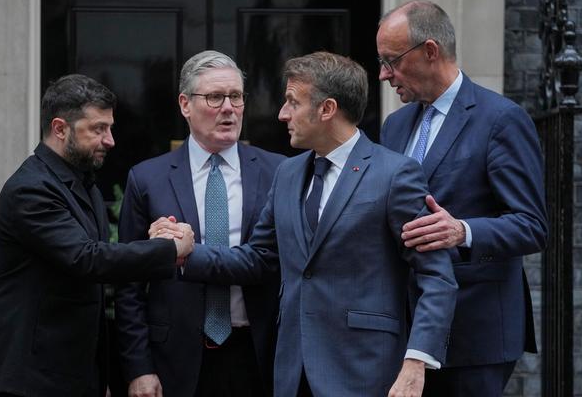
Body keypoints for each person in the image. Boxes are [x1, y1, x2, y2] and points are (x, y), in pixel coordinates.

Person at [163, 51, 458, 396]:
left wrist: (416, 361)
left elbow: (437, 277)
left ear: (327, 109)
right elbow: (259, 257)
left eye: (292, 102)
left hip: (365, 370)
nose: (281, 113)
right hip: (292, 370)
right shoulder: (287, 173)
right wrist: (187, 252)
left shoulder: (395, 174)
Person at [0, 74, 193, 397]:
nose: (110, 140)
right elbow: (88, 259)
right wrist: (167, 248)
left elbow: (94, 267)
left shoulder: (83, 184)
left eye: (109, 128)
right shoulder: (31, 189)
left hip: (72, 377)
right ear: (60, 128)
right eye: (98, 129)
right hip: (29, 381)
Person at [377, 0, 548, 396]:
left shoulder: (501, 119)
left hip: (475, 333)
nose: (385, 74)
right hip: (406, 331)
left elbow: (532, 226)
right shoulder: (395, 125)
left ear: (430, 51)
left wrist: (463, 231)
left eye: (392, 61)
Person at [114, 51, 285, 397]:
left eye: (236, 97)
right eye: (214, 97)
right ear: (185, 104)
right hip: (174, 358)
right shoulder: (148, 178)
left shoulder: (279, 172)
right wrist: (138, 367)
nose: (228, 108)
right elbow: (128, 284)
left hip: (258, 354)